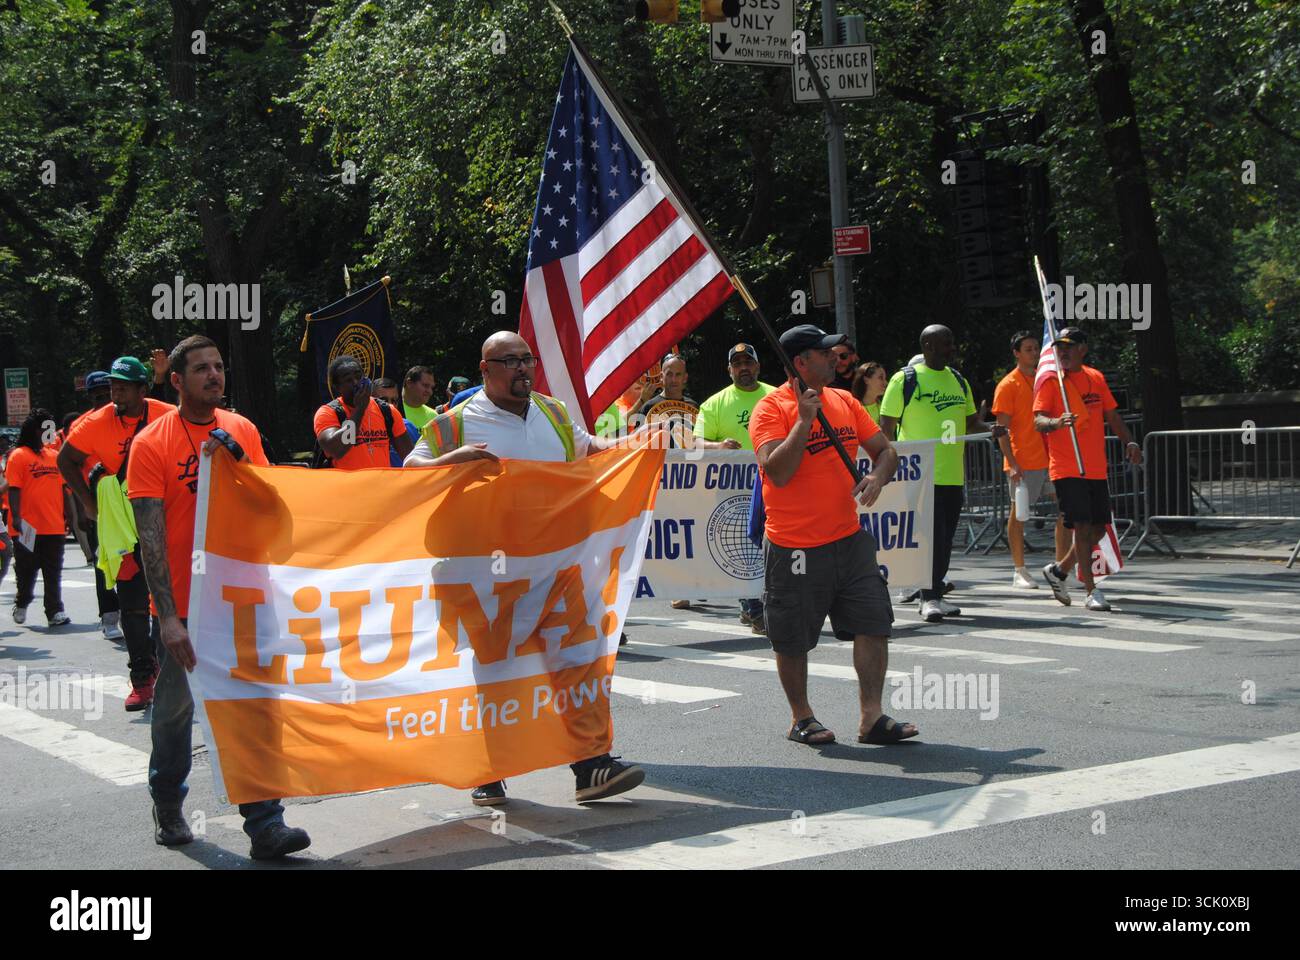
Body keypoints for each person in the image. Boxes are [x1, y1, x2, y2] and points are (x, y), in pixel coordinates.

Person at [406, 331, 654, 807]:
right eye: (510, 361)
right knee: (495, 676)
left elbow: (589, 451)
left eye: (527, 360)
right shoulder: (453, 424)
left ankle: (591, 766)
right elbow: (409, 476)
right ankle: (489, 770)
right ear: (486, 369)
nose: (522, 368)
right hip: (488, 577)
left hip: (559, 566)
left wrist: (634, 444)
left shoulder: (555, 413)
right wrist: (453, 461)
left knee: (578, 662)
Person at [127, 335, 311, 858]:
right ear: (177, 380)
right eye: (202, 369)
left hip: (244, 594)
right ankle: (167, 803)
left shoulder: (242, 430)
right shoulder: (151, 443)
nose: (214, 375)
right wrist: (167, 617)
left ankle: (266, 825)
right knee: (175, 712)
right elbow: (151, 534)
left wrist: (236, 462)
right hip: (185, 603)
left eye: (219, 367)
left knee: (255, 708)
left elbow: (271, 505)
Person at [750, 324, 916, 747]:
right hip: (794, 545)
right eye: (825, 353)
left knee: (874, 620)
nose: (836, 358)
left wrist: (878, 477)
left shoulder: (844, 400)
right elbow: (779, 472)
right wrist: (803, 423)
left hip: (849, 538)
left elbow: (886, 450)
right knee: (792, 638)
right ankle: (801, 717)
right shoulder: (771, 409)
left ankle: (872, 718)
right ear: (800, 363)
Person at [59, 356, 176, 709]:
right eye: (113, 386)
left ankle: (169, 672)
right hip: (120, 525)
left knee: (169, 601)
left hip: (163, 518)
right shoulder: (94, 423)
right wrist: (88, 503)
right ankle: (141, 678)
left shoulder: (166, 414)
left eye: (123, 387)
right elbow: (65, 460)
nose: (116, 392)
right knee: (132, 604)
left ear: (143, 389)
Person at [879, 325, 1004, 623]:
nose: (952, 348)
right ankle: (928, 596)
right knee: (928, 536)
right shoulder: (905, 379)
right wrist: (884, 465)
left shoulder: (958, 380)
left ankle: (936, 591)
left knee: (946, 537)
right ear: (927, 345)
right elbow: (885, 427)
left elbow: (971, 423)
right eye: (946, 343)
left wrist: (990, 429)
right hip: (919, 474)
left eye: (951, 342)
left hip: (952, 473)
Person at [1034, 327, 1141, 611]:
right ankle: (1091, 591)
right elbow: (1039, 421)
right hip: (1067, 466)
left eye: (1069, 346)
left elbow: (1112, 414)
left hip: (1095, 468)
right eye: (1059, 347)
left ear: (1083, 348)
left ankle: (1059, 571)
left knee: (1098, 531)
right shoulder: (1051, 381)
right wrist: (1057, 422)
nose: (1063, 351)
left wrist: (1129, 442)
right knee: (1081, 527)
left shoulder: (1095, 377)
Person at [693, 343, 775, 633]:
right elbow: (695, 444)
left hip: (773, 485)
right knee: (744, 552)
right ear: (729, 370)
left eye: (748, 363)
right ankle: (754, 608)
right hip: (732, 492)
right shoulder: (715, 404)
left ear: (758, 366)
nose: (744, 368)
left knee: (770, 547)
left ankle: (754, 604)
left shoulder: (776, 396)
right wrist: (719, 446)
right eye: (737, 364)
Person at [992, 332, 1068, 590]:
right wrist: (1012, 463)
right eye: (1028, 349)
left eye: (1036, 348)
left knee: (1066, 510)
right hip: (1024, 460)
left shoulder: (1046, 378)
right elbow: (1001, 430)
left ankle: (1060, 566)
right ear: (1016, 352)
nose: (1034, 352)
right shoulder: (1007, 384)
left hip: (1054, 458)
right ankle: (1019, 570)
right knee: (1020, 514)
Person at [6, 409, 71, 627]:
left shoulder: (54, 456)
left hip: (53, 525)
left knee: (53, 570)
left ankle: (54, 611)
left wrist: (70, 517)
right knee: (26, 569)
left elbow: (63, 490)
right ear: (36, 431)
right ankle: (22, 602)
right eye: (47, 429)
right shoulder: (18, 455)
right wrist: (15, 517)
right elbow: (14, 488)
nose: (51, 433)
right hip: (26, 526)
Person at [314, 356, 414, 469]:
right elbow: (337, 450)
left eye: (358, 376)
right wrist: (359, 409)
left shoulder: (387, 410)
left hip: (381, 485)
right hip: (346, 486)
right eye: (348, 380)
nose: (356, 383)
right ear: (337, 387)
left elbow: (410, 457)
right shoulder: (328, 413)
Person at [637, 354, 698, 449]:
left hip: (686, 462)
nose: (674, 380)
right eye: (669, 374)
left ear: (685, 378)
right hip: (657, 461)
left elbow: (700, 440)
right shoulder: (649, 407)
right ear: (661, 376)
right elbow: (636, 440)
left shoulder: (694, 406)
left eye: (678, 374)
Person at [372, 377, 420, 467]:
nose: (390, 405)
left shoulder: (408, 427)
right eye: (384, 401)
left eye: (394, 401)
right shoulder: (362, 427)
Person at [401, 365, 438, 429]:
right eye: (425, 385)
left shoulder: (434, 417)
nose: (430, 392)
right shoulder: (392, 410)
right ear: (409, 383)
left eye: (431, 387)